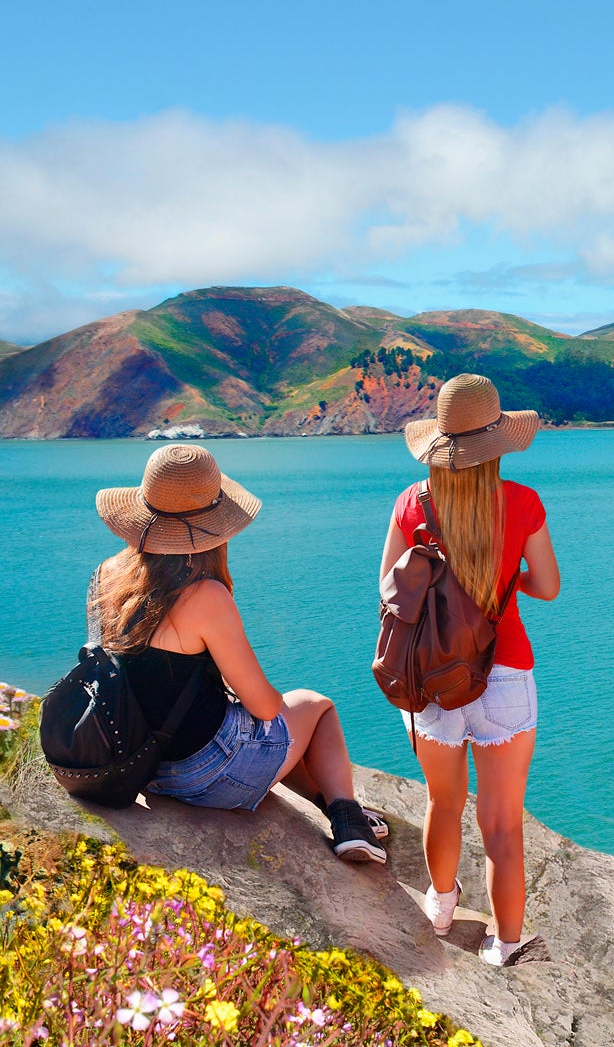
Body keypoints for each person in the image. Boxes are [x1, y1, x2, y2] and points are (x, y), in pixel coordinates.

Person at [91, 444, 387, 862]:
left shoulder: (108, 574)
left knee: (281, 738)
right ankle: (348, 823)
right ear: (214, 528)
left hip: (140, 766)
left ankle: (341, 811)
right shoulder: (204, 594)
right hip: (207, 778)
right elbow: (266, 709)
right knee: (314, 707)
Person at [380, 373, 560, 967]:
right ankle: (505, 943)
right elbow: (549, 588)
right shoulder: (523, 503)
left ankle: (441, 904)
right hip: (506, 673)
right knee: (504, 824)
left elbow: (389, 590)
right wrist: (508, 581)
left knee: (443, 800)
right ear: (498, 444)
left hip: (433, 674)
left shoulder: (412, 503)